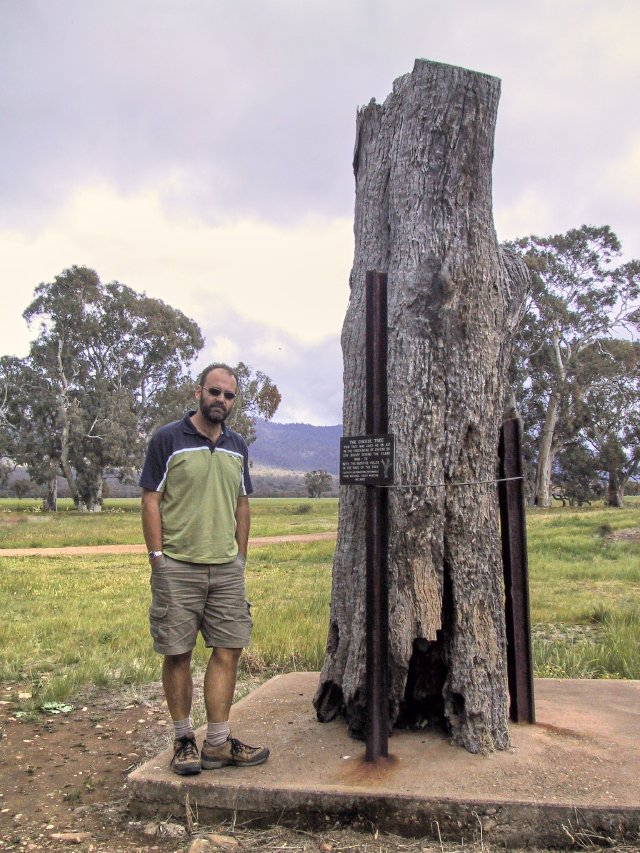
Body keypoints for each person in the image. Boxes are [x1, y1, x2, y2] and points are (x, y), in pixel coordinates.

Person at [139, 363, 269, 775]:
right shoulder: (167, 439)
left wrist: (240, 557)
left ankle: (217, 742)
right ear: (199, 393)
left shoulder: (237, 445)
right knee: (177, 653)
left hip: (226, 568)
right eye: (215, 392)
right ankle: (183, 740)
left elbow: (242, 504)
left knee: (228, 650)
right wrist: (157, 558)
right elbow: (150, 499)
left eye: (229, 396)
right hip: (177, 566)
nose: (221, 401)